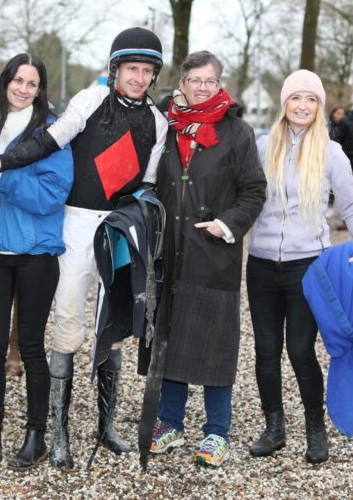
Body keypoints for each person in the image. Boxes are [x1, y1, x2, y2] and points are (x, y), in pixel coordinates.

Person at [0, 27, 168, 471]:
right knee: (69, 322)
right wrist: (2, 161)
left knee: (111, 324)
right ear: (116, 69)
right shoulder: (90, 101)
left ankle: (106, 426)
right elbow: (49, 142)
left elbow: (147, 185)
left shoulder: (158, 122)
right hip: (74, 225)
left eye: (147, 71)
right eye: (132, 68)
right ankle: (59, 433)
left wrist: (138, 218)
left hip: (118, 229)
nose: (139, 77)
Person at [246, 70, 353, 464]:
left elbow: (351, 205)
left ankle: (315, 430)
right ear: (284, 103)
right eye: (295, 98)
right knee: (266, 351)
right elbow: (246, 198)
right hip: (261, 264)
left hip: (309, 266)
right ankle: (274, 427)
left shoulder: (331, 152)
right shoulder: (262, 145)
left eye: (311, 99)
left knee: (300, 349)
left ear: (319, 106)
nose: (302, 106)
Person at [147, 50, 266, 467]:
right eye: (194, 80)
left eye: (209, 81)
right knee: (171, 340)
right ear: (182, 83)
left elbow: (254, 191)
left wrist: (226, 225)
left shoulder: (237, 132)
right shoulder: (167, 126)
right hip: (170, 252)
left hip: (214, 253)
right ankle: (170, 422)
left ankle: (217, 431)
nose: (201, 87)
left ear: (220, 84)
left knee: (216, 345)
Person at [0, 54, 73, 471]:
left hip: (35, 257)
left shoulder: (53, 132)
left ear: (40, 89)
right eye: (17, 79)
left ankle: (35, 436)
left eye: (32, 83)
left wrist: (2, 176)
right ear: (5, 81)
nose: (23, 88)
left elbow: (51, 196)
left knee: (30, 348)